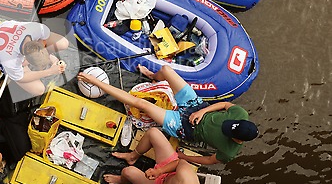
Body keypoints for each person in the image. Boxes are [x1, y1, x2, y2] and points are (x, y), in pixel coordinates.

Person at [77, 64, 259, 165]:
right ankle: (153, 76)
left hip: (184, 128)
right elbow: (226, 104)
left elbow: (209, 159)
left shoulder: (229, 152)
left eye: (229, 131)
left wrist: (183, 157)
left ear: (237, 140)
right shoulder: (240, 114)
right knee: (166, 70)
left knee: (142, 104)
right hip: (197, 106)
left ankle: (133, 156)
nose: (227, 127)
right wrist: (203, 110)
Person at [104, 127, 200, 184]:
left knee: (127, 172)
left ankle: (123, 180)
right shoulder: (186, 177)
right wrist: (159, 171)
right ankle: (132, 156)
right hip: (170, 171)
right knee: (153, 133)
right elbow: (179, 162)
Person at [0, 20, 69, 96]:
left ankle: (42, 58)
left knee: (63, 43)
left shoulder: (38, 29)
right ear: (26, 60)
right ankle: (14, 72)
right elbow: (21, 78)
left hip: (3, 30)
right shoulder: (11, 61)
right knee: (39, 90)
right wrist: (49, 71)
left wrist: (49, 57)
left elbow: (44, 39)